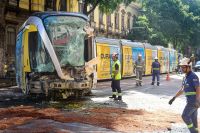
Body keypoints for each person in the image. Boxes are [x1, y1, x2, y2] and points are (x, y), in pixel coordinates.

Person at [169, 57, 200, 133]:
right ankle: (195, 131)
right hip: (190, 100)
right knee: (193, 119)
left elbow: (198, 89)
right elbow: (182, 90)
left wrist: (197, 101)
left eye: (183, 67)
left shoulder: (193, 77)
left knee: (185, 116)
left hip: (193, 101)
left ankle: (193, 131)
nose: (182, 69)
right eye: (181, 67)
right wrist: (174, 97)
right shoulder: (185, 77)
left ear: (189, 67)